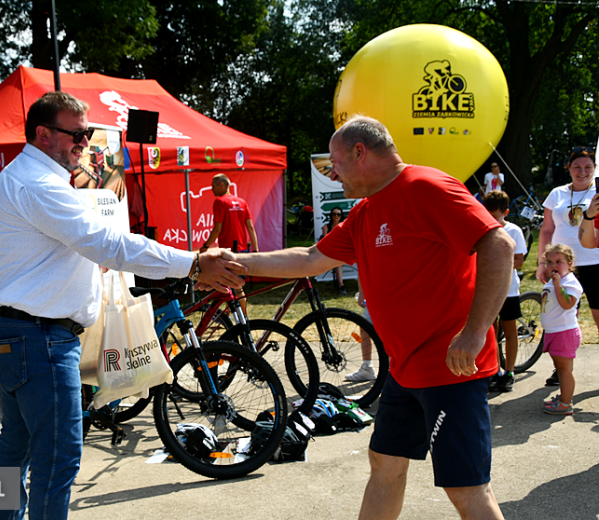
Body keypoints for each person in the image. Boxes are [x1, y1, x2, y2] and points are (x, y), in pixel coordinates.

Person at [212, 115, 514, 520]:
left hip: (450, 370)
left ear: (360, 152)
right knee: (384, 464)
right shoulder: (367, 211)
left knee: (467, 489)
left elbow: (499, 242)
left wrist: (475, 330)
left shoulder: (426, 187)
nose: (332, 173)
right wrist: (234, 262)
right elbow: (309, 258)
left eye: (335, 163)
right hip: (405, 371)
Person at [0, 91, 243, 520]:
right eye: (78, 134)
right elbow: (106, 242)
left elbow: (52, 254)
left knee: (17, 451)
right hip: (39, 340)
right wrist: (192, 263)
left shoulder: (27, 176)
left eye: (89, 134)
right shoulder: (39, 183)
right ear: (43, 134)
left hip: (19, 335)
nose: (86, 143)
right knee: (57, 459)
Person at [537, 146, 597, 387]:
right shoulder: (557, 194)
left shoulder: (597, 192)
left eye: (588, 167)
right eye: (577, 167)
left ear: (595, 168)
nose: (582, 172)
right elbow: (547, 230)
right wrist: (543, 261)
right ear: (569, 168)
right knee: (560, 318)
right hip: (562, 266)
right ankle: (560, 369)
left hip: (594, 262)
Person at [483, 190, 527, 393]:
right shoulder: (481, 228)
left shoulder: (514, 231)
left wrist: (495, 264)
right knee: (490, 331)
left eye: (495, 215)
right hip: (487, 290)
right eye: (487, 213)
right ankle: (493, 370)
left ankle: (509, 371)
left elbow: (519, 260)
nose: (490, 218)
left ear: (506, 212)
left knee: (509, 331)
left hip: (508, 289)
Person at [200, 173, 259, 313]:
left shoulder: (220, 202)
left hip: (229, 251)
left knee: (233, 286)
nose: (211, 189)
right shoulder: (242, 201)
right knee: (233, 284)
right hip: (242, 250)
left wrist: (205, 246)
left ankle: (242, 317)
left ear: (222, 185)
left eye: (213, 186)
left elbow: (217, 229)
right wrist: (255, 251)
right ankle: (233, 313)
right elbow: (250, 227)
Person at [540, 244, 583, 415]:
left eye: (559, 261)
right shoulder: (555, 280)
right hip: (555, 332)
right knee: (560, 367)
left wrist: (558, 285)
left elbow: (567, 304)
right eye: (549, 262)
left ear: (570, 264)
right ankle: (564, 397)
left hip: (564, 332)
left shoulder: (570, 282)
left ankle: (566, 404)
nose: (553, 265)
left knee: (564, 370)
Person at [322, 207, 347, 295]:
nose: (336, 216)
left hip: (343, 250)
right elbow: (325, 242)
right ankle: (341, 286)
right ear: (331, 215)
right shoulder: (326, 227)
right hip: (332, 251)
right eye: (334, 214)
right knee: (338, 262)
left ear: (341, 216)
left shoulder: (344, 227)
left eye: (338, 214)